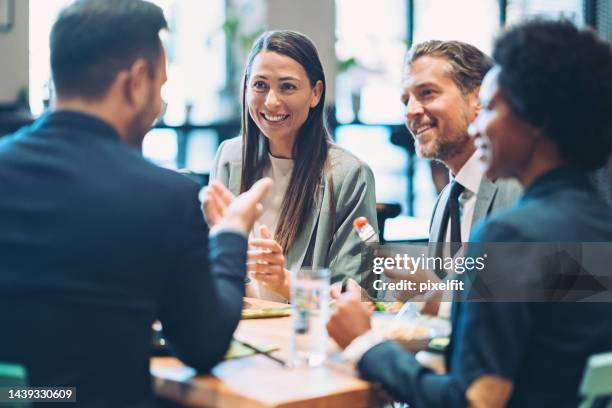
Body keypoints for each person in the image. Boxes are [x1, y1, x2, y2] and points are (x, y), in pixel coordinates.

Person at [328, 20, 612, 407]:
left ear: (536, 119)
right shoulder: (599, 224)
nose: (482, 126)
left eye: (493, 107)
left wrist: (367, 346)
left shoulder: (511, 237)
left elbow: (475, 403)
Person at [0, 1, 272, 406]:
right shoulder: (163, 197)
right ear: (137, 81)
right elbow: (203, 345)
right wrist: (231, 232)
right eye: (160, 88)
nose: (159, 106)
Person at [208, 30, 377, 301]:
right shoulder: (229, 157)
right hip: (237, 327)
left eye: (287, 86)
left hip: (303, 335)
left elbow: (355, 292)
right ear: (246, 88)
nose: (271, 101)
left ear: (315, 93)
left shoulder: (350, 174)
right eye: (260, 85)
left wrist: (284, 282)